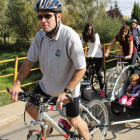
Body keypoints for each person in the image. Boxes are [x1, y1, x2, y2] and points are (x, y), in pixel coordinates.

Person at [9, 0, 90, 139]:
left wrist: (67, 91)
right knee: (29, 107)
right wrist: (17, 83)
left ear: (58, 16)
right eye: (40, 17)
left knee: (74, 120)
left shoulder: (70, 36)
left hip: (68, 89)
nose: (43, 20)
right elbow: (29, 62)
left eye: (47, 16)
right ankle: (49, 127)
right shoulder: (40, 36)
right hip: (47, 85)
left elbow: (81, 68)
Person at [81, 23, 105, 98]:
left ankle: (101, 89)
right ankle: (87, 84)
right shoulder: (85, 36)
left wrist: (92, 55)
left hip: (98, 54)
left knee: (98, 72)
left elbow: (95, 46)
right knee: (84, 68)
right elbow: (79, 44)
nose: (90, 31)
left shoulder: (96, 35)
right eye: (88, 29)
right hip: (90, 54)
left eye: (91, 29)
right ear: (86, 30)